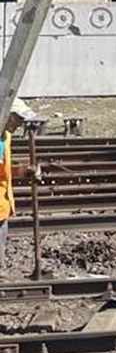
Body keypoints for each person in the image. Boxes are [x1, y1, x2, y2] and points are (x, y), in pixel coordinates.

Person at [0, 98, 39, 275]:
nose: (20, 124)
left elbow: (4, 171)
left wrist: (25, 171)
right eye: (18, 119)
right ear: (6, 114)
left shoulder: (5, 137)